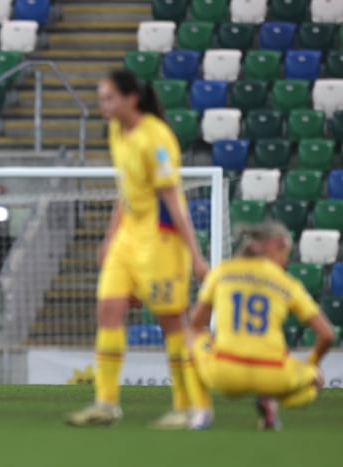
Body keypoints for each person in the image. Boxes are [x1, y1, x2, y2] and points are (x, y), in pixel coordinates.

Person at [66, 69, 209, 427]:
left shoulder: (156, 138)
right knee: (108, 310)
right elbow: (125, 189)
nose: (103, 104)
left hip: (161, 238)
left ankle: (187, 406)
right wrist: (111, 236)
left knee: (171, 322)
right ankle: (106, 403)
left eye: (109, 97)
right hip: (129, 236)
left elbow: (173, 198)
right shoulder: (116, 130)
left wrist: (195, 255)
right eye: (101, 98)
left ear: (131, 99)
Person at [185, 221, 335, 430]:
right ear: (277, 248)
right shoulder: (287, 283)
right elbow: (327, 335)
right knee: (314, 381)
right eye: (286, 254)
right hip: (273, 373)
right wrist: (312, 364)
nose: (286, 261)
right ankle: (271, 402)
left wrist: (209, 341)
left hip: (226, 371)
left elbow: (194, 324)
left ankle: (202, 413)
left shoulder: (222, 272)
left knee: (188, 338)